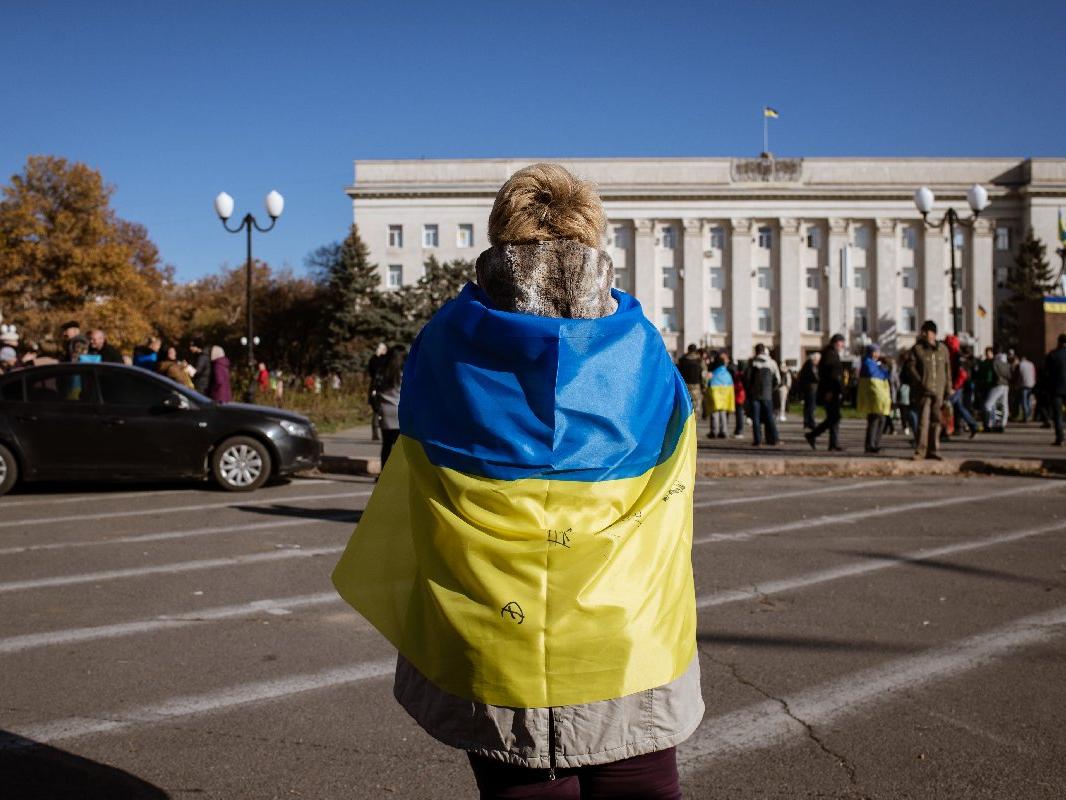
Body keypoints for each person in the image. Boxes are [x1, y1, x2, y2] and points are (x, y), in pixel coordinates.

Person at [332, 163, 699, 800]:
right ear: (596, 239)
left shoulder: (444, 342)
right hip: (625, 641)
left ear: (498, 238)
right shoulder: (641, 346)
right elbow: (677, 461)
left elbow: (414, 450)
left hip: (495, 641)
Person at [906, 320, 951, 460]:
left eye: (926, 331)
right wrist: (920, 381)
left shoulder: (943, 349)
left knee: (936, 421)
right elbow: (910, 367)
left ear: (933, 333)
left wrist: (948, 388)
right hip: (923, 391)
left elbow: (947, 370)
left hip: (939, 391)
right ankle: (921, 451)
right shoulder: (917, 349)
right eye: (923, 331)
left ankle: (934, 450)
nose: (923, 334)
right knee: (923, 422)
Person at [805, 334, 846, 452]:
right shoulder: (829, 354)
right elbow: (829, 375)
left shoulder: (832, 353)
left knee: (834, 417)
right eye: (841, 342)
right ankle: (813, 435)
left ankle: (832, 443)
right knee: (834, 417)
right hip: (830, 391)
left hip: (833, 390)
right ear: (835, 342)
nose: (842, 345)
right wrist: (829, 391)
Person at [371, 344, 406, 465]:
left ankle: (382, 473)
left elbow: (374, 389)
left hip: (385, 411)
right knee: (400, 447)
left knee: (386, 444)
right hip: (400, 411)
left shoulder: (382, 372)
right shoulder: (404, 372)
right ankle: (398, 473)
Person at [857, 343, 891, 453]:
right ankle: (871, 445)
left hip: (877, 397)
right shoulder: (868, 363)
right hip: (874, 397)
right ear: (873, 352)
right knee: (875, 420)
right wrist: (883, 370)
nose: (878, 353)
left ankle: (874, 444)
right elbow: (877, 375)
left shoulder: (873, 363)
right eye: (877, 351)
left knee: (879, 420)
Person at [745, 344, 780, 446]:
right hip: (767, 394)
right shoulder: (771, 362)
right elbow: (777, 379)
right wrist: (771, 389)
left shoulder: (752, 362)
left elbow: (747, 378)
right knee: (770, 417)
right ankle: (774, 438)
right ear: (764, 350)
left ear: (756, 351)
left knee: (756, 418)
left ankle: (758, 440)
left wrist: (749, 390)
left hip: (754, 394)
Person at [944, 335, 979, 439]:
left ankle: (945, 430)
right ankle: (973, 425)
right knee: (959, 407)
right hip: (957, 386)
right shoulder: (955, 355)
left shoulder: (957, 356)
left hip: (956, 386)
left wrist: (954, 388)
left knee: (946, 406)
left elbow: (962, 374)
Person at [705, 352, 734, 438]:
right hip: (725, 397)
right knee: (723, 413)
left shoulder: (713, 373)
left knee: (714, 413)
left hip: (715, 395)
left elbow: (708, 382)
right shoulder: (727, 373)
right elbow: (731, 384)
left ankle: (714, 431)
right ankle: (724, 431)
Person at [1044, 333, 1066, 445]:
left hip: (1056, 389)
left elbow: (1046, 373)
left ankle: (1060, 438)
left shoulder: (1052, 355)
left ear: (1059, 342)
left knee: (1058, 415)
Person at [983, 352, 1011, 432]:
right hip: (1005, 385)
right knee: (1001, 405)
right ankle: (1001, 424)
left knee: (988, 405)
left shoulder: (995, 363)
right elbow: (1010, 375)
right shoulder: (1007, 364)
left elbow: (991, 374)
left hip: (997, 384)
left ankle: (989, 424)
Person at [677, 343, 706, 421]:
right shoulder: (700, 360)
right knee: (696, 407)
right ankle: (693, 424)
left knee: (685, 407)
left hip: (684, 386)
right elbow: (704, 375)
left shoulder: (682, 360)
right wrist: (704, 386)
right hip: (696, 386)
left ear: (688, 350)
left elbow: (678, 374)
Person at [367, 342, 388, 442]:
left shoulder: (386, 360)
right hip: (375, 387)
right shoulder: (374, 359)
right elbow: (372, 371)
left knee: (382, 411)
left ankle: (385, 432)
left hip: (383, 388)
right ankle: (375, 434)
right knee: (376, 411)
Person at [798, 351, 821, 430]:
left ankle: (807, 422)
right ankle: (811, 422)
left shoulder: (808, 363)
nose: (818, 362)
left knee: (808, 405)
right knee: (811, 405)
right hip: (811, 388)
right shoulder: (810, 364)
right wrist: (820, 380)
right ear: (815, 359)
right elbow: (814, 376)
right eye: (818, 360)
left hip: (808, 388)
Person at [1015, 354, 1037, 423]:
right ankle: (1030, 414)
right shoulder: (1031, 364)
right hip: (1031, 384)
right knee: (1028, 400)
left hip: (1023, 384)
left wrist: (1018, 384)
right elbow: (1034, 373)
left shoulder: (1020, 365)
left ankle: (1026, 416)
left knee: (1024, 401)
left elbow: (1019, 375)